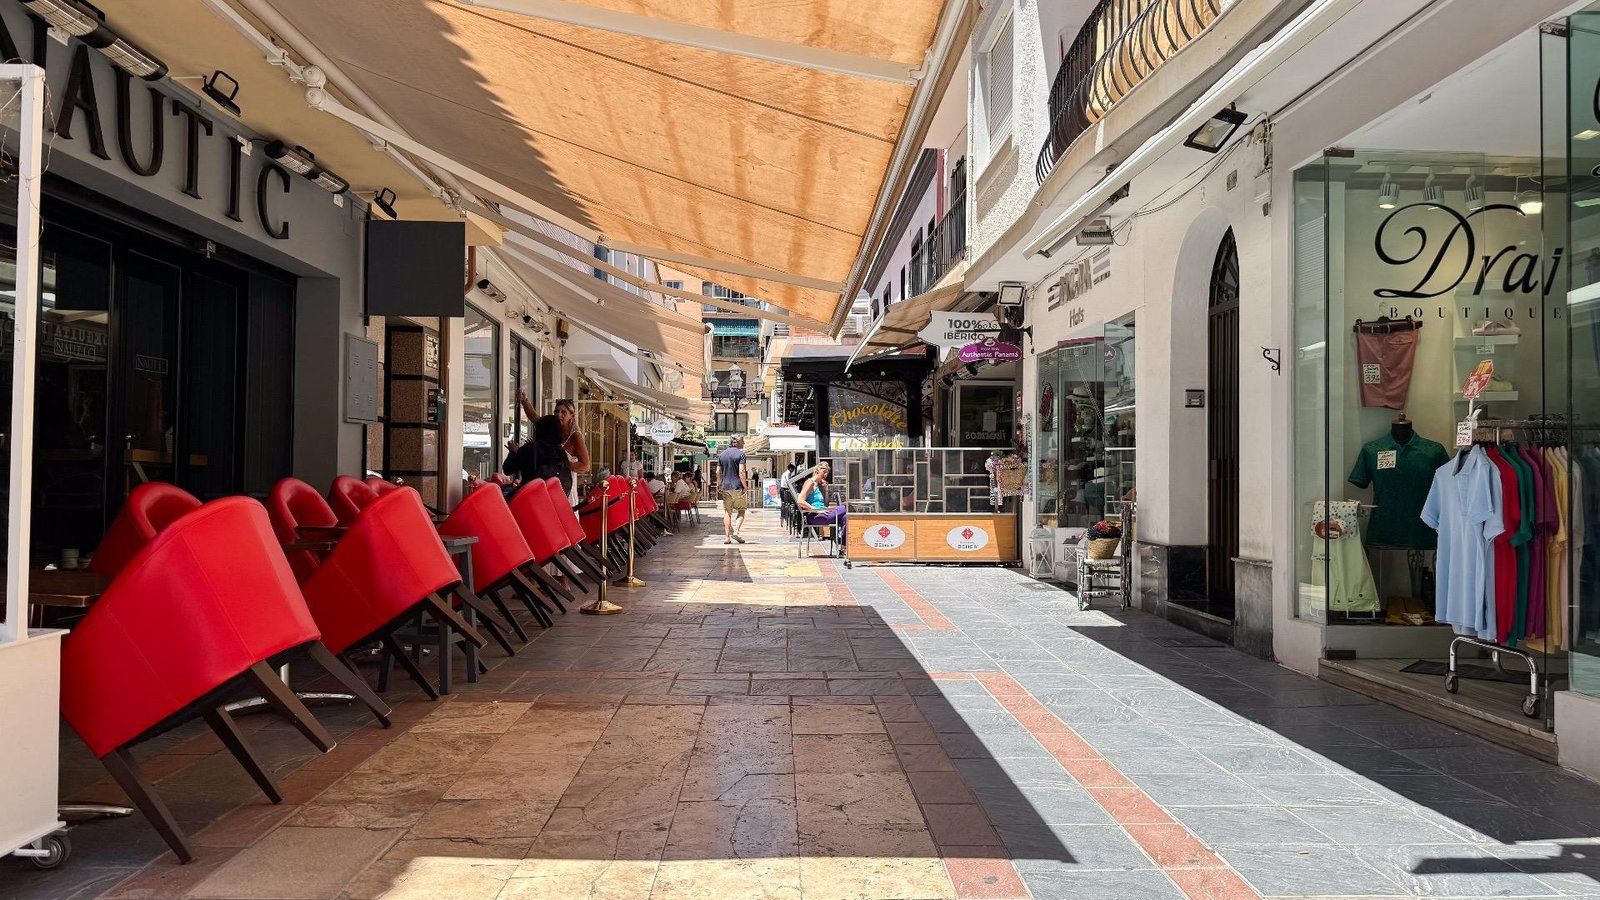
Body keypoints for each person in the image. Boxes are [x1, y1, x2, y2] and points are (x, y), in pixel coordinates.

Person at [503, 414, 573, 498]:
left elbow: (508, 470)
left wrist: (513, 452)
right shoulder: (561, 452)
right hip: (554, 499)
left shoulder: (530, 448)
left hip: (531, 498)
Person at [796, 460, 847, 547]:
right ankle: (842, 543)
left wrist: (826, 489)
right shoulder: (810, 482)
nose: (825, 475)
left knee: (846, 517)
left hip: (823, 513)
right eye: (824, 472)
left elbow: (826, 505)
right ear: (817, 471)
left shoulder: (817, 485)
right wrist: (816, 510)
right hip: (815, 515)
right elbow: (800, 501)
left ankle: (843, 545)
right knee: (847, 507)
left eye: (827, 473)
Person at [717, 435, 749, 544]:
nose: (744, 443)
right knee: (741, 510)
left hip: (726, 487)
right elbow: (741, 472)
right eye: (742, 441)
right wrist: (745, 486)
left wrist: (719, 484)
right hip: (737, 487)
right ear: (737, 442)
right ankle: (736, 531)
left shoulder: (722, 455)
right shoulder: (741, 454)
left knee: (727, 512)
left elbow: (718, 472)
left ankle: (727, 538)